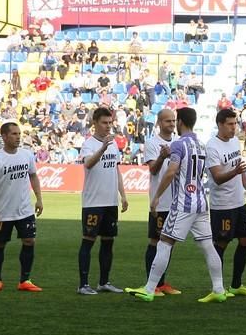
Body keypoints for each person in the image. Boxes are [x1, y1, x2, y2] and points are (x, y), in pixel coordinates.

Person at [126, 108, 227, 303]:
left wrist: (156, 197)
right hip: (200, 201)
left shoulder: (179, 145)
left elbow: (171, 171)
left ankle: (149, 288)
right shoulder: (201, 145)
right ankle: (219, 289)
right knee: (207, 246)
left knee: (164, 242)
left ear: (180, 121)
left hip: (183, 202)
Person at [0, 122, 43, 292]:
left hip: (25, 210)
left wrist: (39, 199)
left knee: (29, 241)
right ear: (5, 136)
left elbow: (33, 176)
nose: (18, 137)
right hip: (3, 212)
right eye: (14, 134)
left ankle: (25, 280)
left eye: (19, 134)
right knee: (0, 243)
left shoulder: (27, 155)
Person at [207, 108, 246, 297]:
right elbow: (218, 177)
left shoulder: (235, 142)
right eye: (230, 124)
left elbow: (241, 169)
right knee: (221, 244)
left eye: (235, 123)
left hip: (238, 202)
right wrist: (235, 172)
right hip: (222, 205)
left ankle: (236, 285)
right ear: (220, 125)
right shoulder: (212, 146)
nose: (233, 127)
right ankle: (218, 288)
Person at [77, 107, 129, 295]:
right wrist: (102, 148)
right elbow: (88, 164)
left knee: (108, 242)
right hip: (93, 202)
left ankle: (104, 282)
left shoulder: (113, 144)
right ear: (95, 124)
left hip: (110, 202)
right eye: (104, 123)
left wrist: (122, 195)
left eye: (110, 123)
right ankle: (83, 284)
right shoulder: (89, 144)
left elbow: (116, 170)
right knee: (88, 241)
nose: (108, 126)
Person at [138, 108, 179, 296]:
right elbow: (153, 170)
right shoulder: (152, 143)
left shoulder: (179, 142)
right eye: (167, 121)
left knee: (170, 242)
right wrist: (163, 156)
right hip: (160, 200)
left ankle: (161, 283)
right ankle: (152, 283)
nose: (171, 124)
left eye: (173, 121)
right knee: (155, 241)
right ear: (159, 123)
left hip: (176, 201)